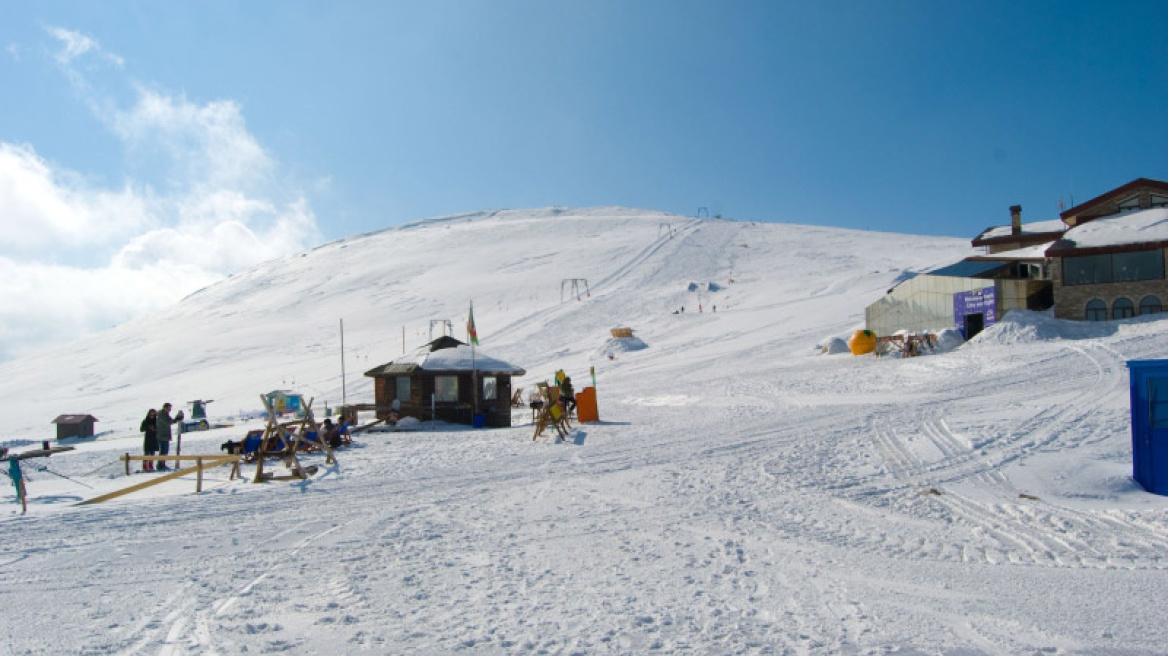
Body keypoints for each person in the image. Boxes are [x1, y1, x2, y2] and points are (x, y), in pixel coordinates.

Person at [155, 402, 184, 470]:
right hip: (162, 435)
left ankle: (162, 464)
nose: (169, 410)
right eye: (168, 409)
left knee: (165, 451)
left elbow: (171, 421)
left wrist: (177, 418)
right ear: (164, 408)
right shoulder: (162, 414)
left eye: (170, 409)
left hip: (165, 435)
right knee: (163, 451)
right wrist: (177, 418)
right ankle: (160, 465)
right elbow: (169, 422)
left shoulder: (165, 414)